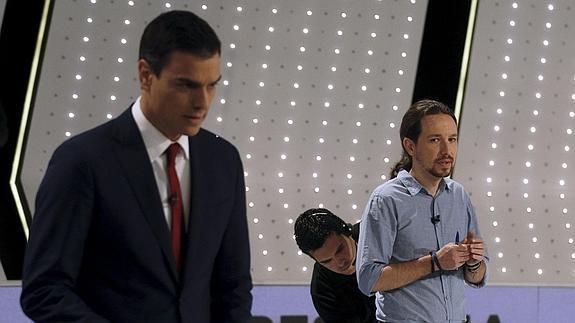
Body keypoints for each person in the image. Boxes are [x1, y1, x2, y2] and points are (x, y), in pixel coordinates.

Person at [20, 10, 252, 322]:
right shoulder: (81, 161)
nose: (203, 102)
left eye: (212, 85)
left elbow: (233, 285)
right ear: (145, 75)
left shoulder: (224, 160)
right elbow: (44, 289)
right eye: (186, 85)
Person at [356, 99, 488, 322]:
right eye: (435, 140)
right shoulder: (386, 199)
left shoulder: (459, 195)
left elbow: (477, 277)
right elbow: (369, 279)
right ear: (410, 146)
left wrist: (474, 262)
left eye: (452, 139)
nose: (447, 150)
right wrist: (434, 262)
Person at [294, 208, 377, 323]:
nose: (339, 262)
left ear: (346, 231)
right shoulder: (322, 291)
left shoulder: (377, 235)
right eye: (326, 261)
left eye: (339, 250)